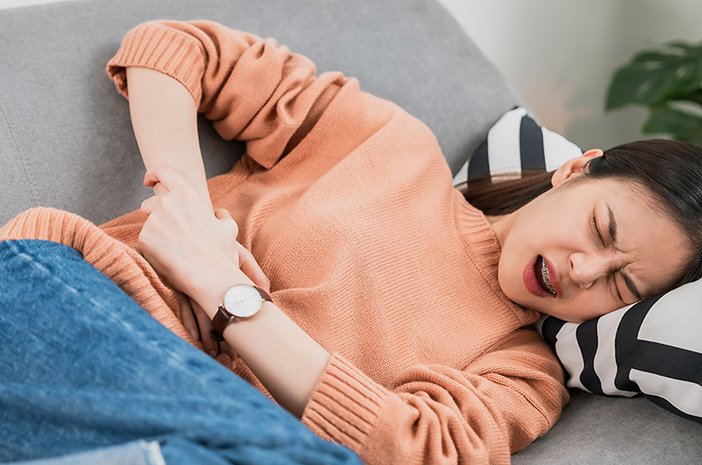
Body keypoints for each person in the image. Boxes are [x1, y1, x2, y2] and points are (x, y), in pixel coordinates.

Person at [2, 18, 702, 465]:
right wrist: (184, 204)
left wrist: (229, 295)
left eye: (621, 284)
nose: (584, 270)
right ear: (576, 169)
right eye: (602, 229)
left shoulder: (522, 375)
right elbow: (175, 49)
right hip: (71, 301)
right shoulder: (387, 145)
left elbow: (416, 449)